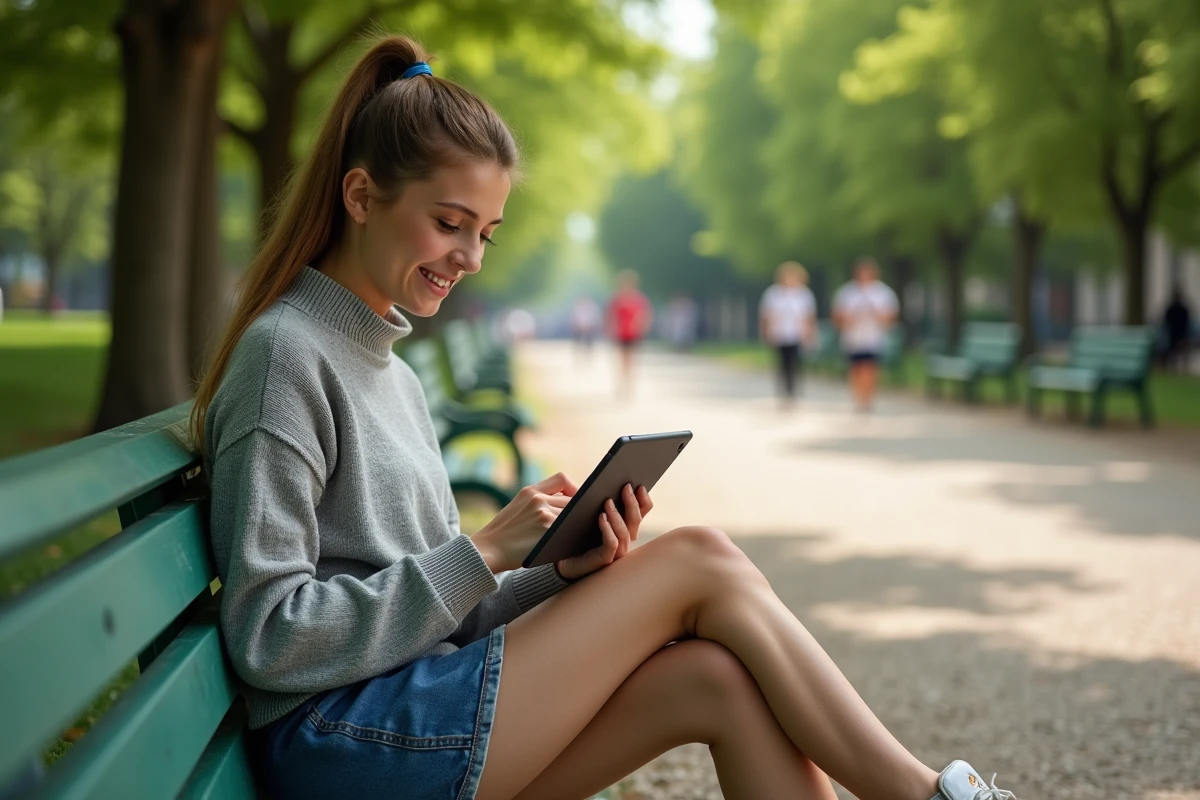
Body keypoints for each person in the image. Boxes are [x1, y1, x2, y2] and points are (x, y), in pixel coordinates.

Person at [189, 36, 1018, 800]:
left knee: (716, 681)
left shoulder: (392, 373)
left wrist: (556, 572)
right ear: (362, 196)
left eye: (487, 234)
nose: (470, 260)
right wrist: (481, 550)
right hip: (341, 743)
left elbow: (448, 612)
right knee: (699, 557)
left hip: (405, 710)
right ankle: (922, 794)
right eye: (450, 224)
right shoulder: (286, 358)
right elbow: (268, 636)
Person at [833, 258, 900, 412]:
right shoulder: (847, 292)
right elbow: (838, 317)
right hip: (853, 339)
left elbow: (891, 318)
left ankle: (867, 398)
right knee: (856, 369)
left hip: (874, 338)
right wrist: (851, 317)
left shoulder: (883, 293)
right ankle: (858, 396)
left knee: (871, 368)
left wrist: (876, 314)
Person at [759, 261, 818, 407]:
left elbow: (809, 316)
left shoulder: (804, 294)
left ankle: (793, 390)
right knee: (782, 363)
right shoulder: (773, 293)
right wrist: (765, 332)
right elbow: (766, 315)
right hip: (779, 334)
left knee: (796, 363)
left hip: (797, 334)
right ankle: (784, 390)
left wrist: (810, 334)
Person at [606, 270, 652, 398]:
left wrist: (641, 328)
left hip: (633, 334)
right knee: (621, 360)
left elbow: (644, 316)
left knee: (631, 360)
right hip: (620, 334)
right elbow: (611, 316)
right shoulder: (617, 299)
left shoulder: (639, 299)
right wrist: (611, 328)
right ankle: (622, 384)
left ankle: (629, 384)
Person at [1162, 286, 1192, 371]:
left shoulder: (1171, 308)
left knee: (1174, 351)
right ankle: (1181, 366)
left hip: (1174, 333)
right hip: (1180, 333)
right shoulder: (1183, 308)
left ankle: (1174, 366)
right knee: (1180, 351)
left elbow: (1165, 320)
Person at [570, 295, 602, 362]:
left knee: (589, 343)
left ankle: (588, 356)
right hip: (579, 329)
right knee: (577, 343)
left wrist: (589, 327)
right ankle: (578, 356)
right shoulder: (578, 308)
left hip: (589, 329)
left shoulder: (592, 308)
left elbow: (594, 319)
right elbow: (574, 319)